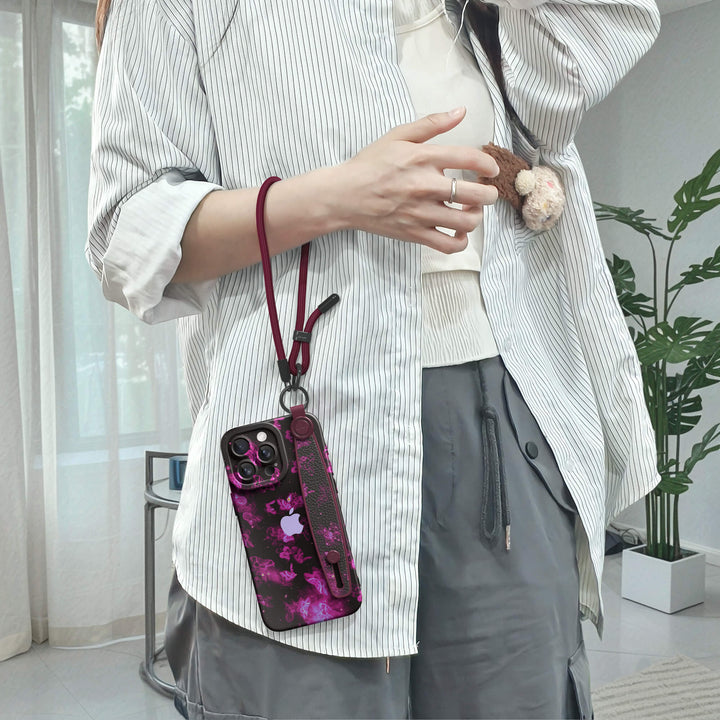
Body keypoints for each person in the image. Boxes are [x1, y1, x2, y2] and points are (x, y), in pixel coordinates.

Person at [86, 0, 661, 718]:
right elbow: (125, 231)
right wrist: (335, 198)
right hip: (299, 434)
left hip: (507, 423)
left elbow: (577, 73)